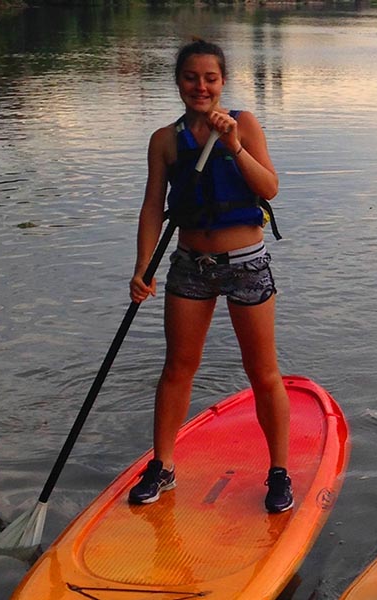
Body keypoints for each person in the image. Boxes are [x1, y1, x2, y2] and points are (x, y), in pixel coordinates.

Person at [127, 39, 293, 513]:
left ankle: (279, 473)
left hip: (246, 265)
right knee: (178, 368)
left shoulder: (244, 124)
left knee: (263, 372)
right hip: (189, 268)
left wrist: (235, 146)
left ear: (222, 82)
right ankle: (163, 466)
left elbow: (270, 189)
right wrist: (142, 268)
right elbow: (152, 208)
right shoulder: (164, 139)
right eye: (190, 77)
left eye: (210, 78)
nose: (200, 86)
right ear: (178, 81)